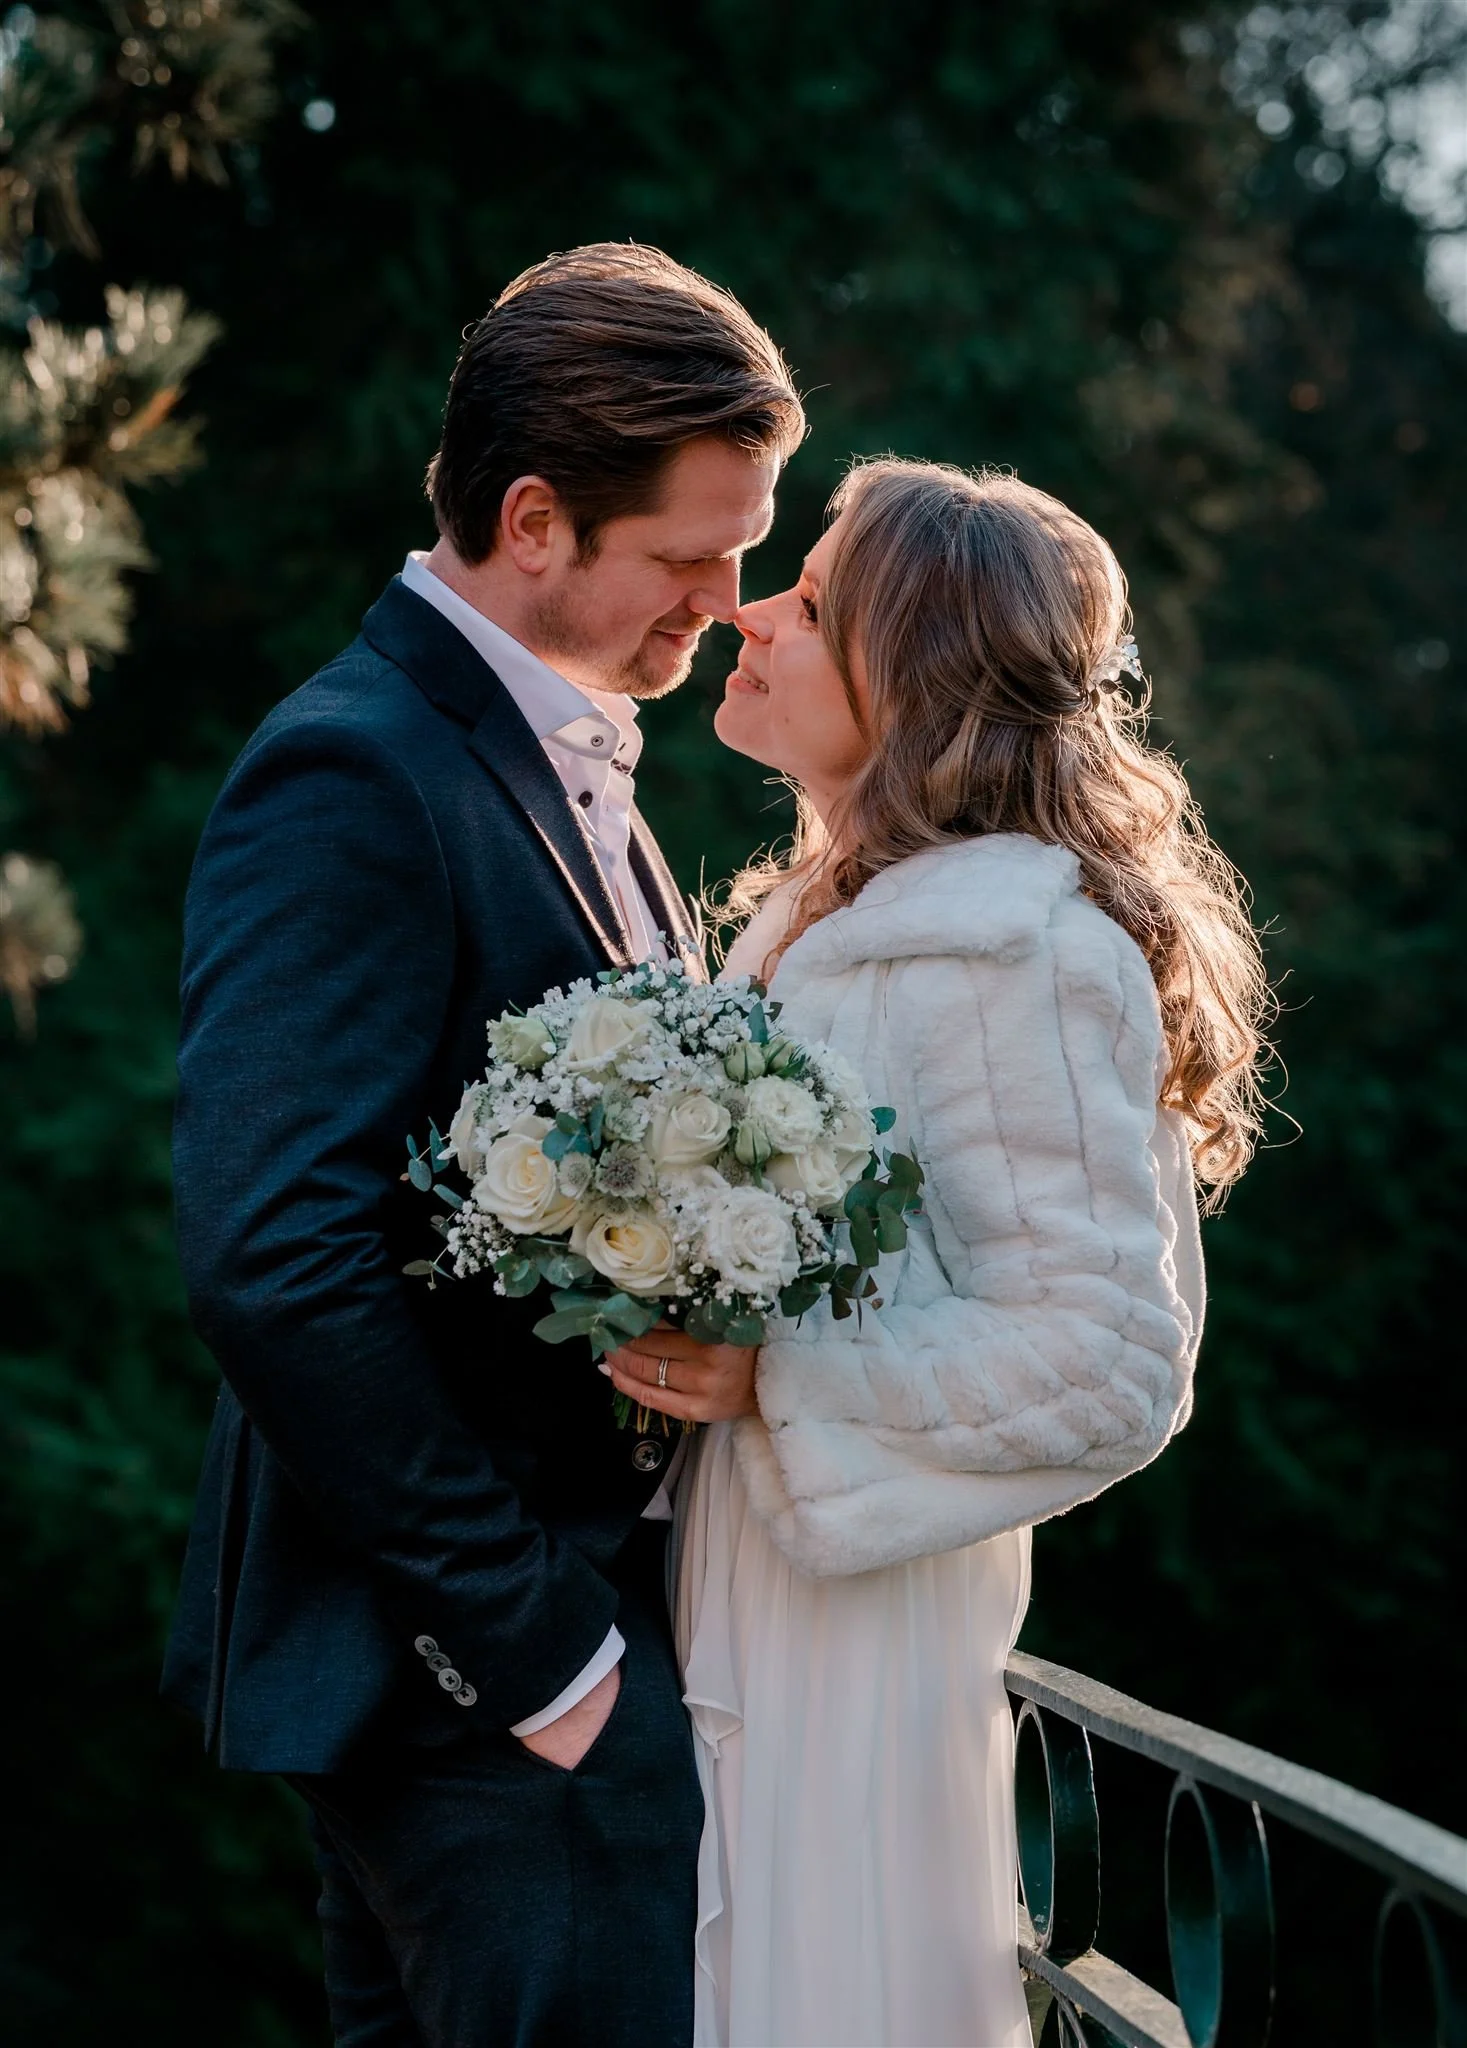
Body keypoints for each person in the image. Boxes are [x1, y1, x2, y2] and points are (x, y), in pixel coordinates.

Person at [161, 243, 803, 2048]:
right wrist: (541, 1654)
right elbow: (274, 1258)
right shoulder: (356, 770)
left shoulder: (565, 759)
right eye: (688, 557)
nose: (729, 603)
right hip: (480, 1691)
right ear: (534, 520)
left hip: (507, 1686)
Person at [607, 459, 1271, 2047]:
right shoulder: (822, 922)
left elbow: (1108, 1365)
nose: (748, 615)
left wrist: (781, 1376)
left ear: (909, 676)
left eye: (808, 601)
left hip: (851, 1647)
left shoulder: (1009, 950)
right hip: (737, 1595)